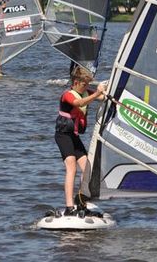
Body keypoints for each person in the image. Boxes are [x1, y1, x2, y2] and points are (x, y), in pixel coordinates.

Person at [55, 65, 106, 216]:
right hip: (63, 135)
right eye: (84, 84)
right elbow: (80, 104)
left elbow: (102, 97)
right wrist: (97, 93)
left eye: (88, 85)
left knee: (88, 169)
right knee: (72, 168)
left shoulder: (85, 92)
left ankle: (80, 201)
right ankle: (69, 207)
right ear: (76, 81)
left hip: (74, 136)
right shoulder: (68, 95)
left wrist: (108, 89)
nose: (86, 87)